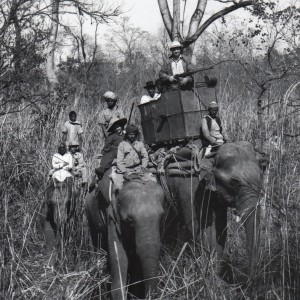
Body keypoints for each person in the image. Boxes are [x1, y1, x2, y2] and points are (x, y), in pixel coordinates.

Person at [113, 124, 155, 191]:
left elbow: (145, 156)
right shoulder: (122, 145)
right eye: (130, 134)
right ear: (127, 134)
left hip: (138, 168)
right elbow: (119, 160)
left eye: (133, 134)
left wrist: (143, 167)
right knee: (117, 186)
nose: (132, 136)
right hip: (126, 169)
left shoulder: (140, 143)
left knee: (153, 180)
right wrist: (124, 172)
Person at [199, 101, 228, 192]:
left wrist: (227, 139)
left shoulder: (218, 119)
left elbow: (222, 131)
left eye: (216, 110)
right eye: (212, 110)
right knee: (205, 163)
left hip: (221, 142)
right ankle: (209, 182)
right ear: (209, 110)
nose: (214, 112)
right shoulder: (205, 119)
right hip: (211, 144)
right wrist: (214, 142)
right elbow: (206, 134)